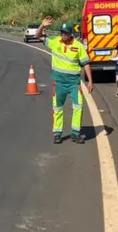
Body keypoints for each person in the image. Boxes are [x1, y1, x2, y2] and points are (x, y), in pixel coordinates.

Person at [36, 16, 93, 144]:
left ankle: (75, 133)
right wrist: (42, 25)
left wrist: (90, 81)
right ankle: (57, 134)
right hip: (59, 83)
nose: (63, 35)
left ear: (71, 33)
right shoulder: (55, 42)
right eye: (62, 33)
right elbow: (38, 36)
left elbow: (86, 64)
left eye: (66, 33)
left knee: (78, 106)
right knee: (57, 108)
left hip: (74, 83)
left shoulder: (78, 46)